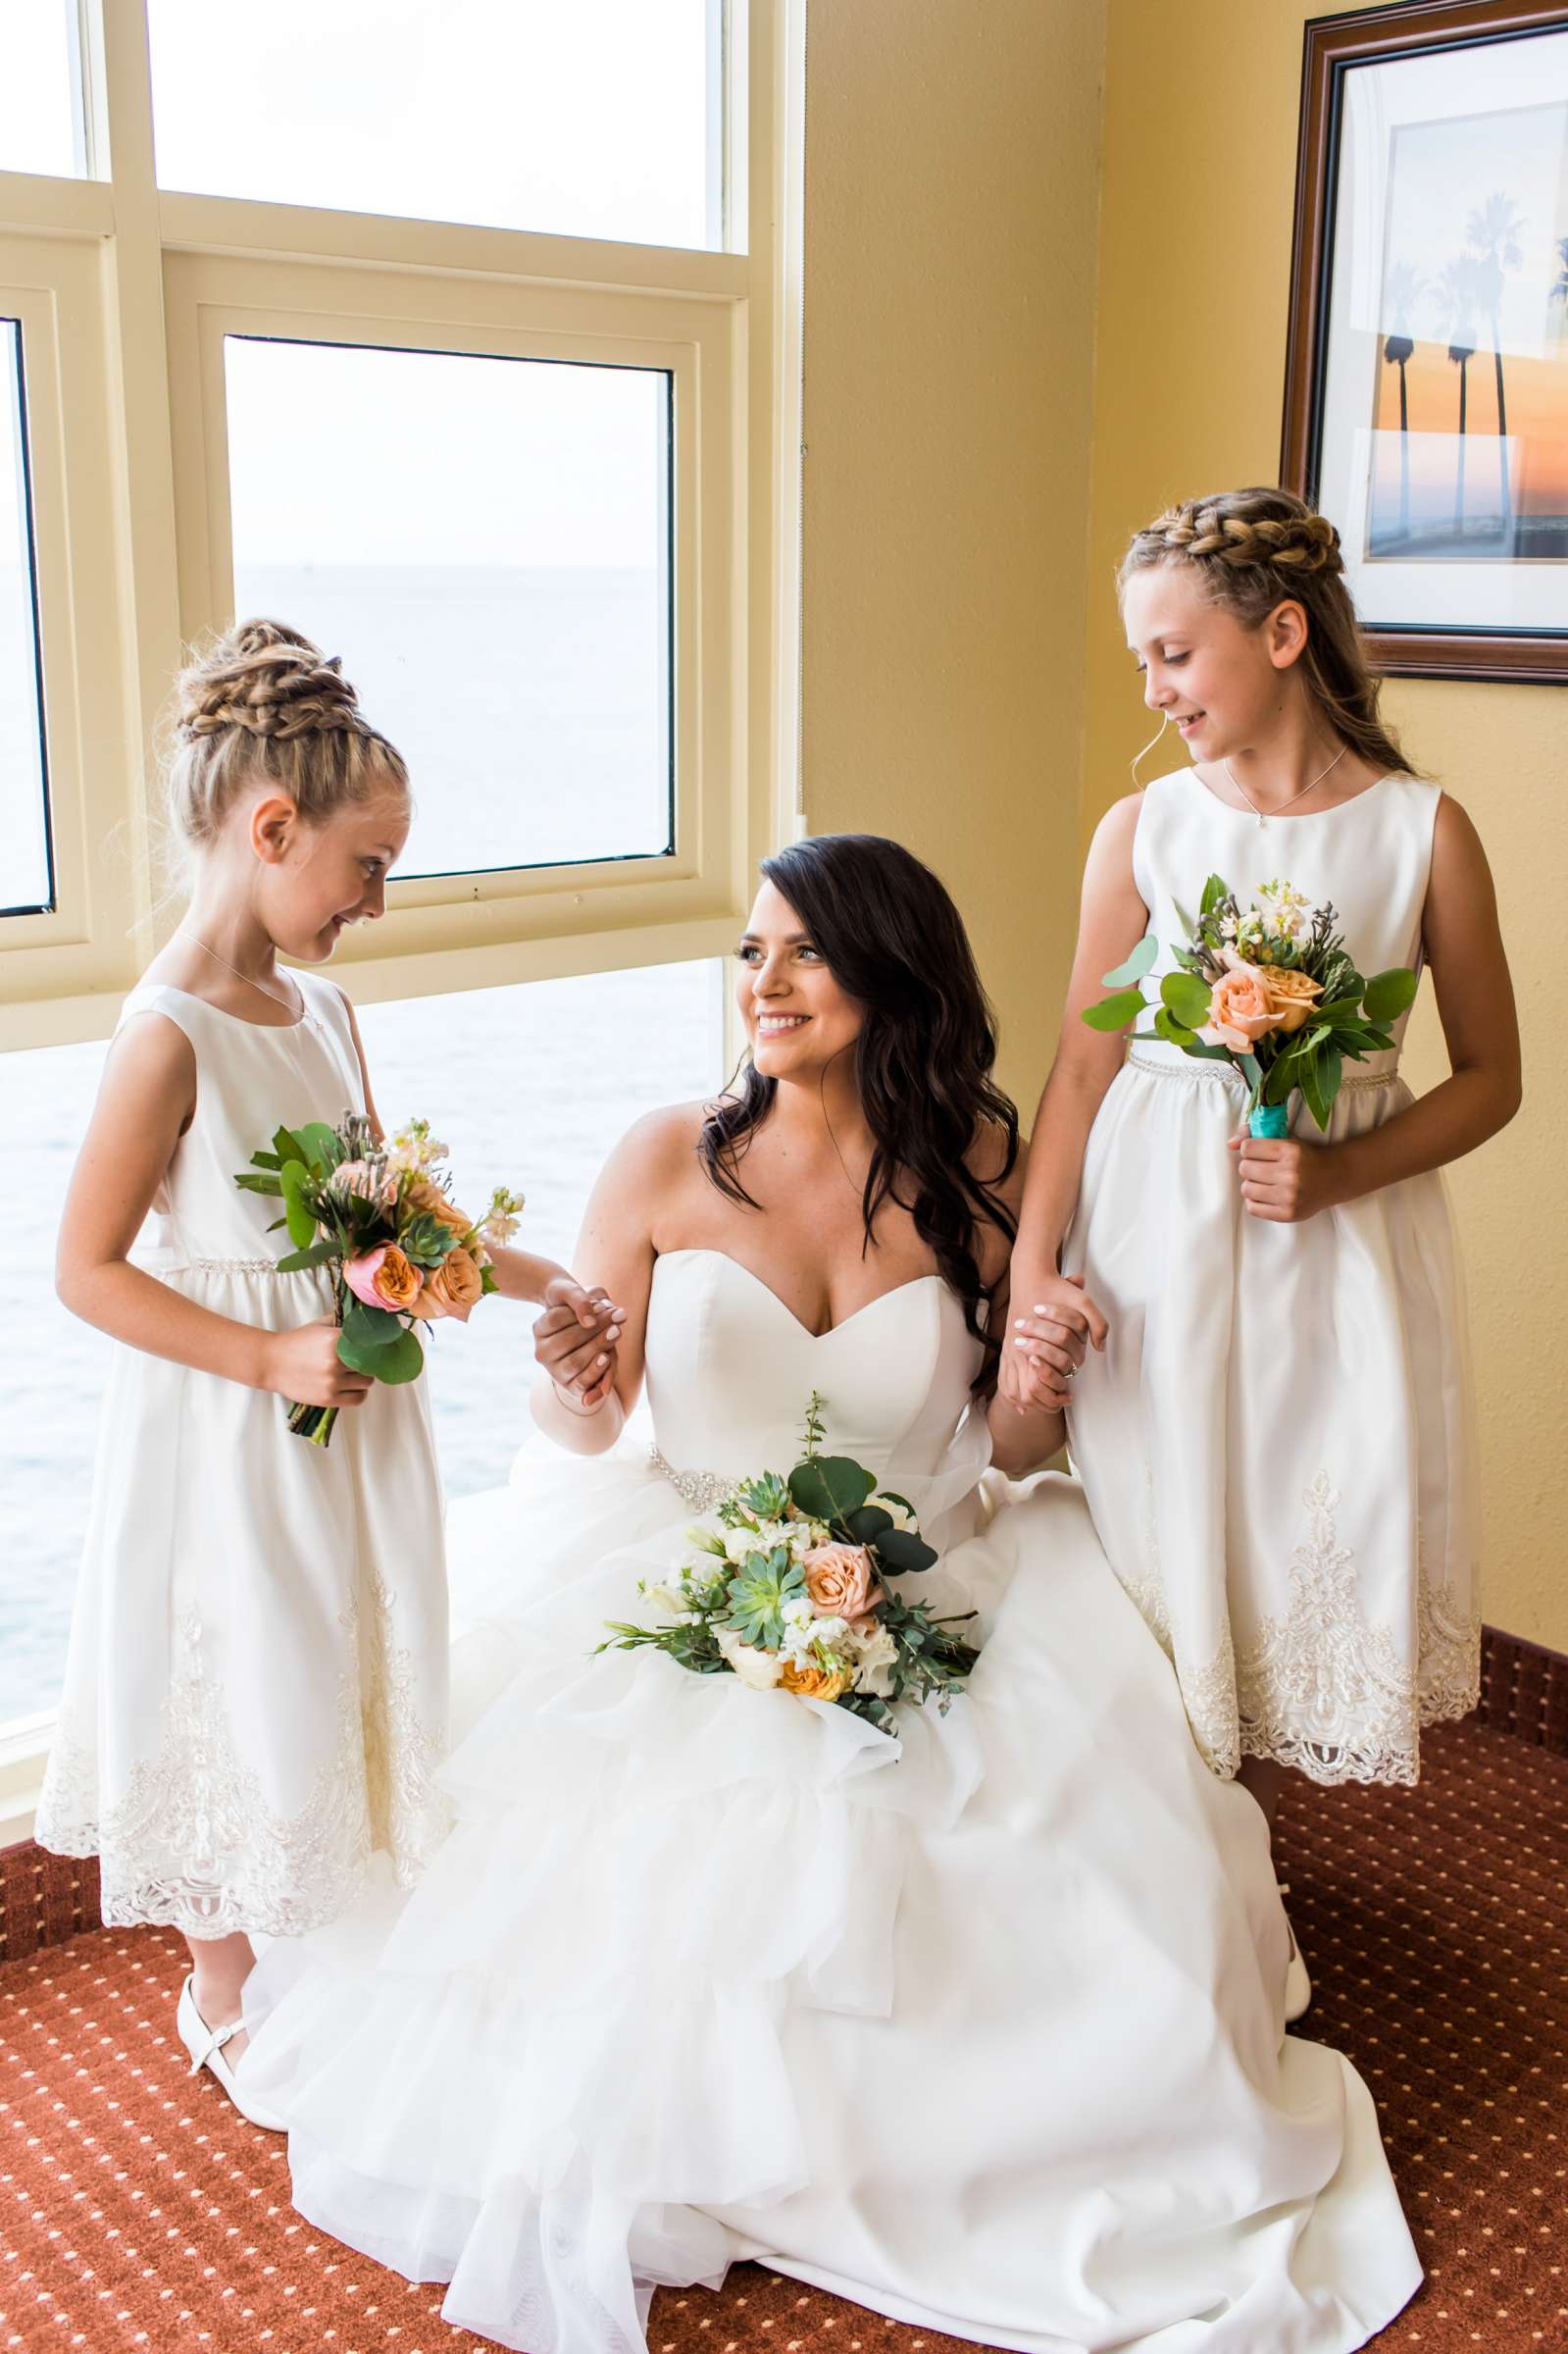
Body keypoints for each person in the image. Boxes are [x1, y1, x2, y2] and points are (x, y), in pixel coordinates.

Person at [238, 832, 1420, 2354]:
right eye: (749, 952)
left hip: (935, 1566)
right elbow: (589, 1428)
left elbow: (1012, 1442)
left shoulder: (984, 1167)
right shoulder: (667, 1158)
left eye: (800, 951)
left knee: (1051, 1887)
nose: (765, 983)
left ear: (889, 969)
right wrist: (573, 1378)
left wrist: (1044, 1375)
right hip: (685, 1565)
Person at [33, 620, 617, 2126]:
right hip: (227, 1418)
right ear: (270, 829)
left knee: (336, 1646)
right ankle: (219, 1977)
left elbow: (378, 1216)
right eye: (366, 866)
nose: (378, 898)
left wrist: (546, 1277)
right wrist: (265, 1348)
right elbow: (84, 1271)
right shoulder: (165, 1038)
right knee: (238, 1658)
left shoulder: (326, 1012)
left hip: (351, 1413)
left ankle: (332, 1921)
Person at [1004, 487, 1520, 2011]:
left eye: (1176, 655)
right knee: (1154, 1525)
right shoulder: (1146, 830)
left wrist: (1347, 1162)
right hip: (1157, 1241)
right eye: (1143, 664)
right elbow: (1082, 1069)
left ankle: (1244, 1888)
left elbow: (1493, 1078)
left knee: (1287, 1523)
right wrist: (1038, 1264)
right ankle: (1151, 1884)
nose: (1156, 694)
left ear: (1282, 634)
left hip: (1327, 1258)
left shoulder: (1424, 834)